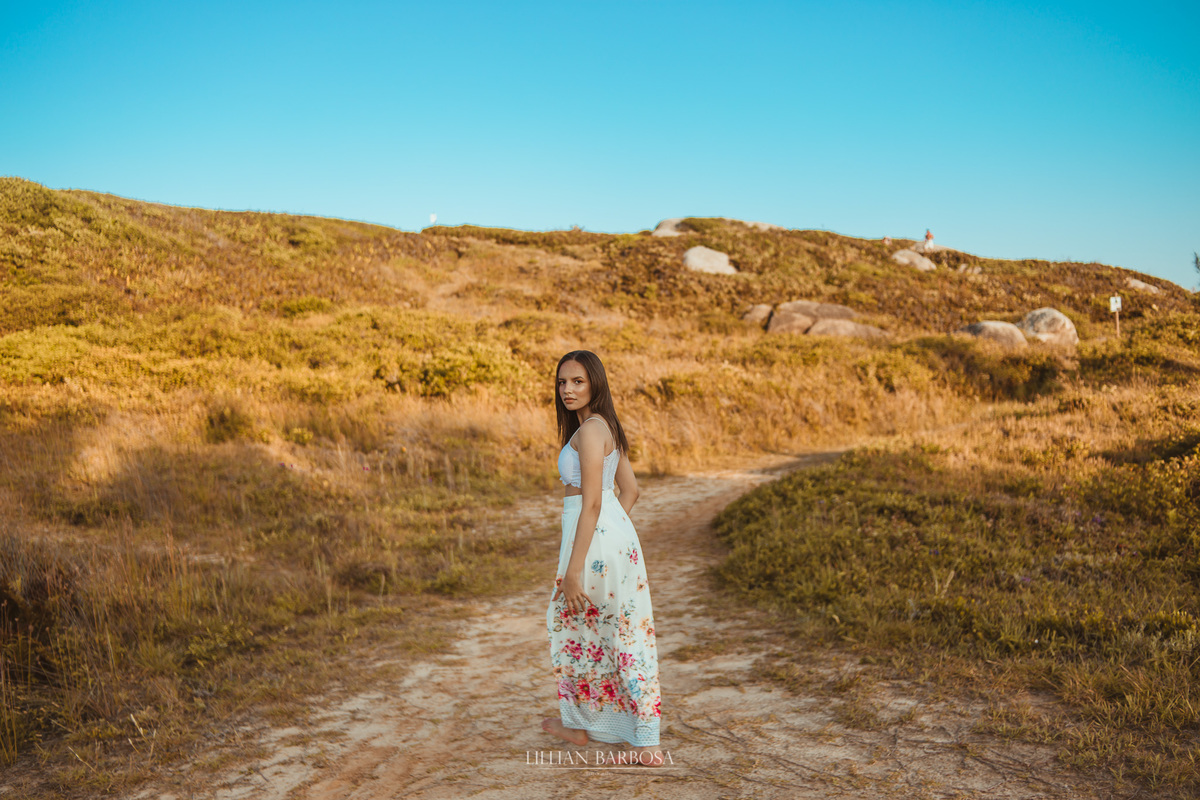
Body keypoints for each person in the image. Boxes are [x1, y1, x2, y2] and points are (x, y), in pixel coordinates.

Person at [542, 350, 662, 762]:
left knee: (581, 625)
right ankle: (591, 727)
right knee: (608, 632)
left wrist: (578, 568)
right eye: (562, 382)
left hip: (591, 538)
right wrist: (612, 536)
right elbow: (629, 492)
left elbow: (592, 503)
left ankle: (635, 739)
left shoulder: (592, 431)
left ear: (595, 382)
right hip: (606, 539)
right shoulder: (603, 426)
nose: (568, 389)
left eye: (577, 381)